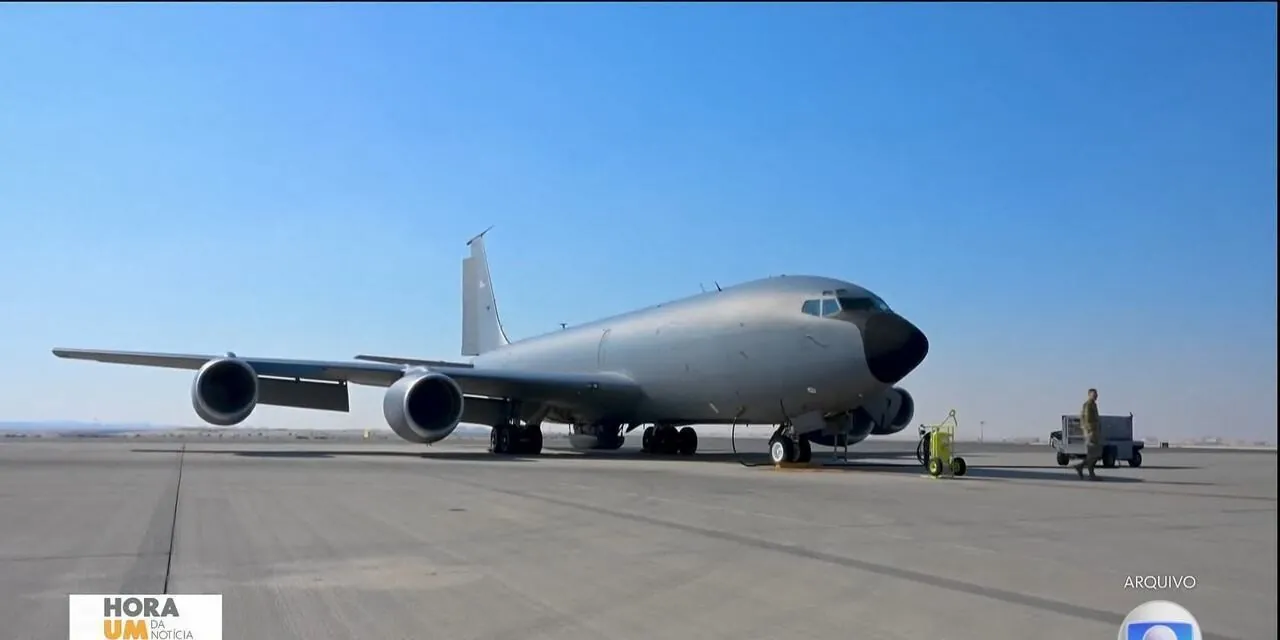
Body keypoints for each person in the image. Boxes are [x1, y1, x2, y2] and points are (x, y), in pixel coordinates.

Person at [1075, 388, 1102, 480]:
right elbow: (1087, 420)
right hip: (1091, 433)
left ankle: (1083, 469)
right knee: (1093, 454)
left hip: (1093, 432)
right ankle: (1086, 471)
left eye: (1096, 394)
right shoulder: (1089, 405)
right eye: (1094, 394)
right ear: (1089, 395)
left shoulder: (1093, 404)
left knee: (1094, 454)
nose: (1096, 395)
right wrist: (1091, 432)